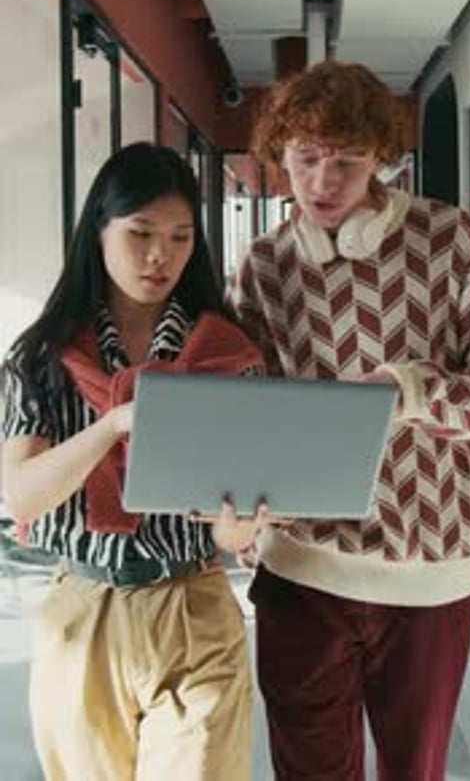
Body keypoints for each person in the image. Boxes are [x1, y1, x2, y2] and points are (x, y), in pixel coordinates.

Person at [229, 61, 470, 781]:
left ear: (383, 157)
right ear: (279, 154)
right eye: (305, 159)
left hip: (428, 573)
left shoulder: (450, 240)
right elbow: (247, 416)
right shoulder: (264, 267)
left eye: (347, 161)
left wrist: (405, 391)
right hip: (301, 572)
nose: (322, 182)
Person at [1, 142, 265, 781]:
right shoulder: (42, 359)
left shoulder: (225, 352)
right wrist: (115, 425)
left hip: (194, 604)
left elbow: (231, 532)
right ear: (99, 231)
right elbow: (22, 495)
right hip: (83, 611)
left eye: (179, 238)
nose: (159, 256)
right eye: (140, 233)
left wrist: (242, 527)